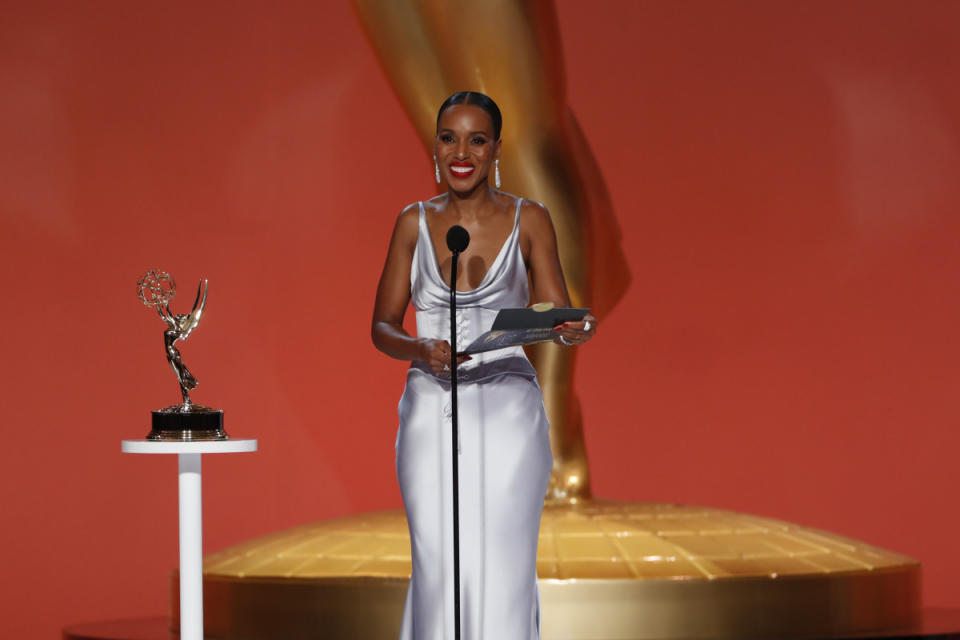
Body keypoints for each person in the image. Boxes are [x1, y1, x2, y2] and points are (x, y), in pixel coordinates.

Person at [371, 91, 596, 640]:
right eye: (449, 137)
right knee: (438, 562)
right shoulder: (412, 224)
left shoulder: (532, 219)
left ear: (496, 148)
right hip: (430, 409)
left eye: (476, 139)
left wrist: (571, 327)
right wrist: (420, 349)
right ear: (435, 147)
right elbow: (382, 326)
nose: (461, 151)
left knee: (503, 563)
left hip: (508, 411)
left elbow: (553, 309)